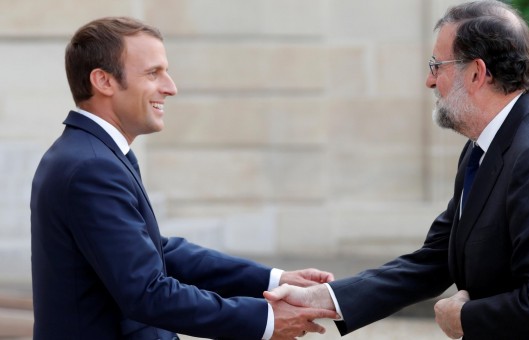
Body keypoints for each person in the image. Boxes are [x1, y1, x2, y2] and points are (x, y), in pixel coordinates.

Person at [264, 1, 529, 339]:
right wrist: (321, 298)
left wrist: (463, 319)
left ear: (476, 73)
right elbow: (436, 259)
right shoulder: (486, 145)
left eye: (436, 66)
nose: (429, 81)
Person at [30, 16, 337, 340]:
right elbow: (147, 292)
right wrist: (266, 320)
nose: (171, 87)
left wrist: (275, 280)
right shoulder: (91, 167)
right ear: (103, 81)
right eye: (153, 73)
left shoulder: (91, 154)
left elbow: (159, 252)